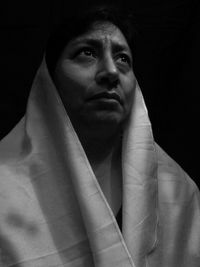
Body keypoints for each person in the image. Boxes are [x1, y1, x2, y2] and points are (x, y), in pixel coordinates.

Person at [0, 4, 199, 267]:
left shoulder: (177, 193)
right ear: (50, 80)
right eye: (87, 53)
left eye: (123, 59)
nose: (111, 72)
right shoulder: (5, 184)